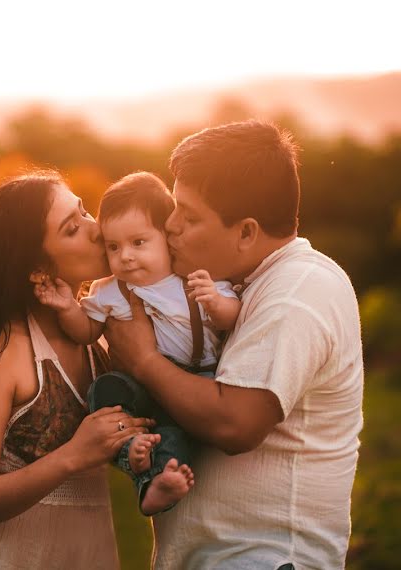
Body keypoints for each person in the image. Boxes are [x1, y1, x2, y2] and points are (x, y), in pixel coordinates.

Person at [105, 120, 365, 569]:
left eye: (188, 215)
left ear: (246, 232)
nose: (170, 225)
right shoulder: (245, 285)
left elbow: (235, 423)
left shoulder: (296, 291)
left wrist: (145, 360)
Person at [0, 171, 153, 569]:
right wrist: (73, 455)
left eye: (85, 212)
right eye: (73, 228)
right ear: (37, 268)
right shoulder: (3, 352)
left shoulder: (100, 333)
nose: (96, 229)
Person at [33, 172, 241, 515]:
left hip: (195, 380)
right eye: (113, 247)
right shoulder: (111, 289)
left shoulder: (193, 277)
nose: (125, 256)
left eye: (138, 243)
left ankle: (157, 481)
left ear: (167, 236)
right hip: (141, 387)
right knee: (106, 389)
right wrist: (68, 306)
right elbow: (86, 330)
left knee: (173, 434)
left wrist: (216, 304)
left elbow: (232, 318)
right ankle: (131, 447)